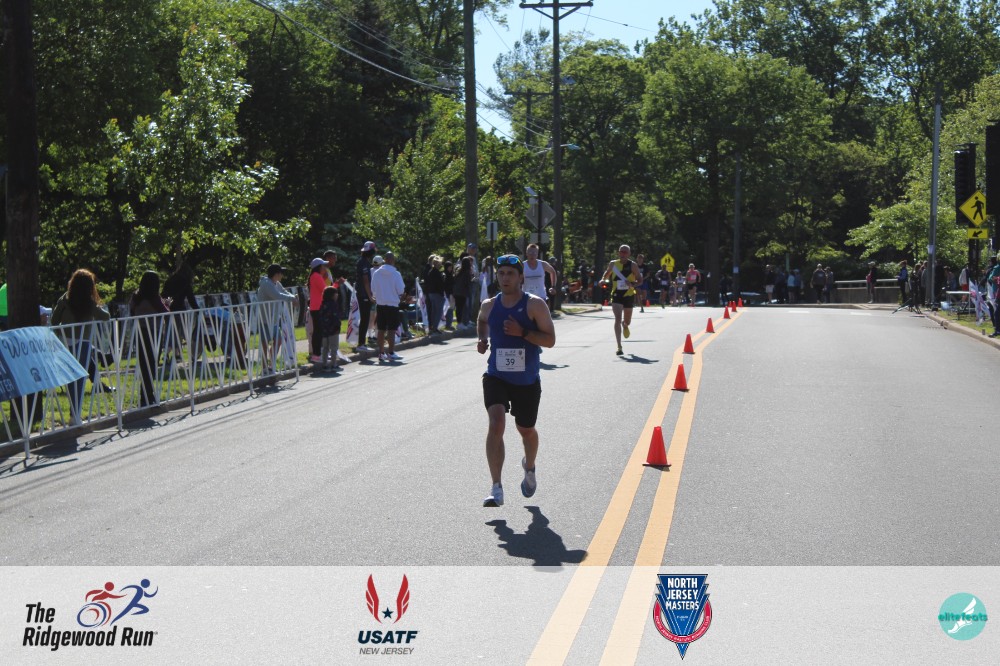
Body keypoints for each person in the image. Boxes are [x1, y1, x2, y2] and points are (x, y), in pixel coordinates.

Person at [476, 254, 556, 507]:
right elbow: (482, 321)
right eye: (501, 273)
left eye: (510, 273)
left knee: (526, 430)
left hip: (526, 380)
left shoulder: (534, 305)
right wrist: (482, 339)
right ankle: (496, 488)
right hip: (496, 375)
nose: (505, 278)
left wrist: (523, 333)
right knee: (496, 424)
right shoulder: (489, 305)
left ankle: (529, 466)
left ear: (521, 277)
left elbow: (550, 340)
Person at [51, 269, 113, 419]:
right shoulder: (89, 303)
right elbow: (105, 316)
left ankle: (74, 414)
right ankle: (75, 414)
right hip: (83, 343)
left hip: (65, 343)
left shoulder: (65, 298)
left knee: (71, 378)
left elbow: (54, 320)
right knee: (80, 378)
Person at [130, 271, 169, 407]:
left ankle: (145, 396)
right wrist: (167, 304)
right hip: (154, 332)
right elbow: (165, 312)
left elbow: (131, 311)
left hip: (140, 332)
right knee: (152, 364)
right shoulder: (154, 298)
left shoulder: (136, 297)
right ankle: (148, 396)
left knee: (144, 364)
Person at [257, 263, 298, 372]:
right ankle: (264, 367)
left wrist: (293, 297)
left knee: (278, 340)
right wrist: (292, 299)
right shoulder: (266, 284)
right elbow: (277, 295)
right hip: (265, 318)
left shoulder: (276, 283)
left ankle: (271, 364)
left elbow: (284, 292)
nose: (282, 275)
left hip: (274, 319)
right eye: (281, 273)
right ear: (276, 274)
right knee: (265, 343)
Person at [603, 245, 642, 356]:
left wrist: (632, 284)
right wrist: (603, 280)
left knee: (627, 321)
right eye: (621, 252)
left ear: (629, 254)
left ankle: (625, 325)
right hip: (616, 294)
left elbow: (640, 280)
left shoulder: (633, 265)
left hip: (629, 295)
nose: (623, 254)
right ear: (618, 253)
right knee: (617, 318)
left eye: (625, 252)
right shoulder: (613, 264)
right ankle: (619, 346)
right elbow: (606, 275)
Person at [371, 251, 406, 362]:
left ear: (384, 260)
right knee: (391, 329)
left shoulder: (376, 273)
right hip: (392, 304)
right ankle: (391, 352)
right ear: (392, 260)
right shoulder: (396, 274)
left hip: (380, 304)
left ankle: (381, 353)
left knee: (381, 329)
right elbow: (401, 290)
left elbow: (373, 290)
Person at [355, 241, 377, 352]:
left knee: (365, 319)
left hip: (363, 294)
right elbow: (366, 281)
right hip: (363, 294)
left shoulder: (364, 261)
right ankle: (361, 344)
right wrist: (370, 296)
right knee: (365, 319)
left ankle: (362, 343)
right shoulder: (364, 263)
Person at [307, 257, 328, 363]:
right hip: (318, 307)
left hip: (315, 307)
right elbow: (326, 291)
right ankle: (316, 355)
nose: (325, 268)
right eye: (323, 266)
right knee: (318, 332)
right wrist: (337, 284)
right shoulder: (317, 276)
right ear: (319, 267)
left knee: (318, 331)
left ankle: (317, 354)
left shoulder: (314, 276)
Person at [317, 286, 341, 371]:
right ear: (332, 295)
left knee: (325, 348)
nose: (337, 295)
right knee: (334, 348)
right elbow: (335, 317)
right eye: (336, 293)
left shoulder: (322, 304)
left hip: (324, 330)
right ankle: (334, 364)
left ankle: (325, 365)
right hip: (333, 329)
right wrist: (338, 326)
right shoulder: (334, 304)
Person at [421, 254, 446, 334]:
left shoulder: (430, 271)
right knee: (438, 311)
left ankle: (432, 327)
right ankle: (435, 327)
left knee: (433, 311)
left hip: (431, 293)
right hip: (437, 293)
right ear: (437, 263)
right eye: (440, 263)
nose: (441, 265)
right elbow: (439, 284)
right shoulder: (436, 272)